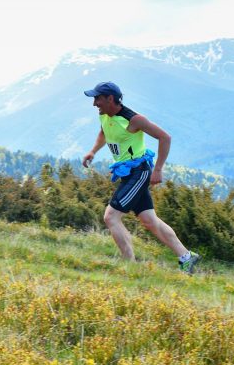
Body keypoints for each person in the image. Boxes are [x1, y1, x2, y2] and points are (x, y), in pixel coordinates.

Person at [82, 81, 201, 274]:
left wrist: (158, 170)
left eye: (98, 98)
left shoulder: (133, 119)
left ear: (110, 99)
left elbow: (165, 137)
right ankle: (187, 257)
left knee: (111, 217)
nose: (95, 103)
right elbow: (104, 133)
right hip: (127, 174)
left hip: (139, 173)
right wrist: (93, 151)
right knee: (149, 220)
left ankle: (129, 266)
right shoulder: (105, 116)